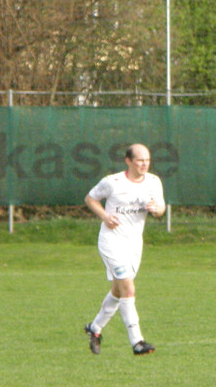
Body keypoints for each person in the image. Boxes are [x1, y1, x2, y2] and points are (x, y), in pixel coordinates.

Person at [83, 143, 165, 356]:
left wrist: (157, 209)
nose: (144, 164)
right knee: (128, 288)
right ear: (128, 161)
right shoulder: (113, 182)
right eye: (140, 160)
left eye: (147, 160)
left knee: (118, 291)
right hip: (111, 242)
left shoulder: (153, 181)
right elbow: (90, 199)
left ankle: (95, 328)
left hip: (134, 244)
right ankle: (137, 342)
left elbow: (161, 208)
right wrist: (105, 216)